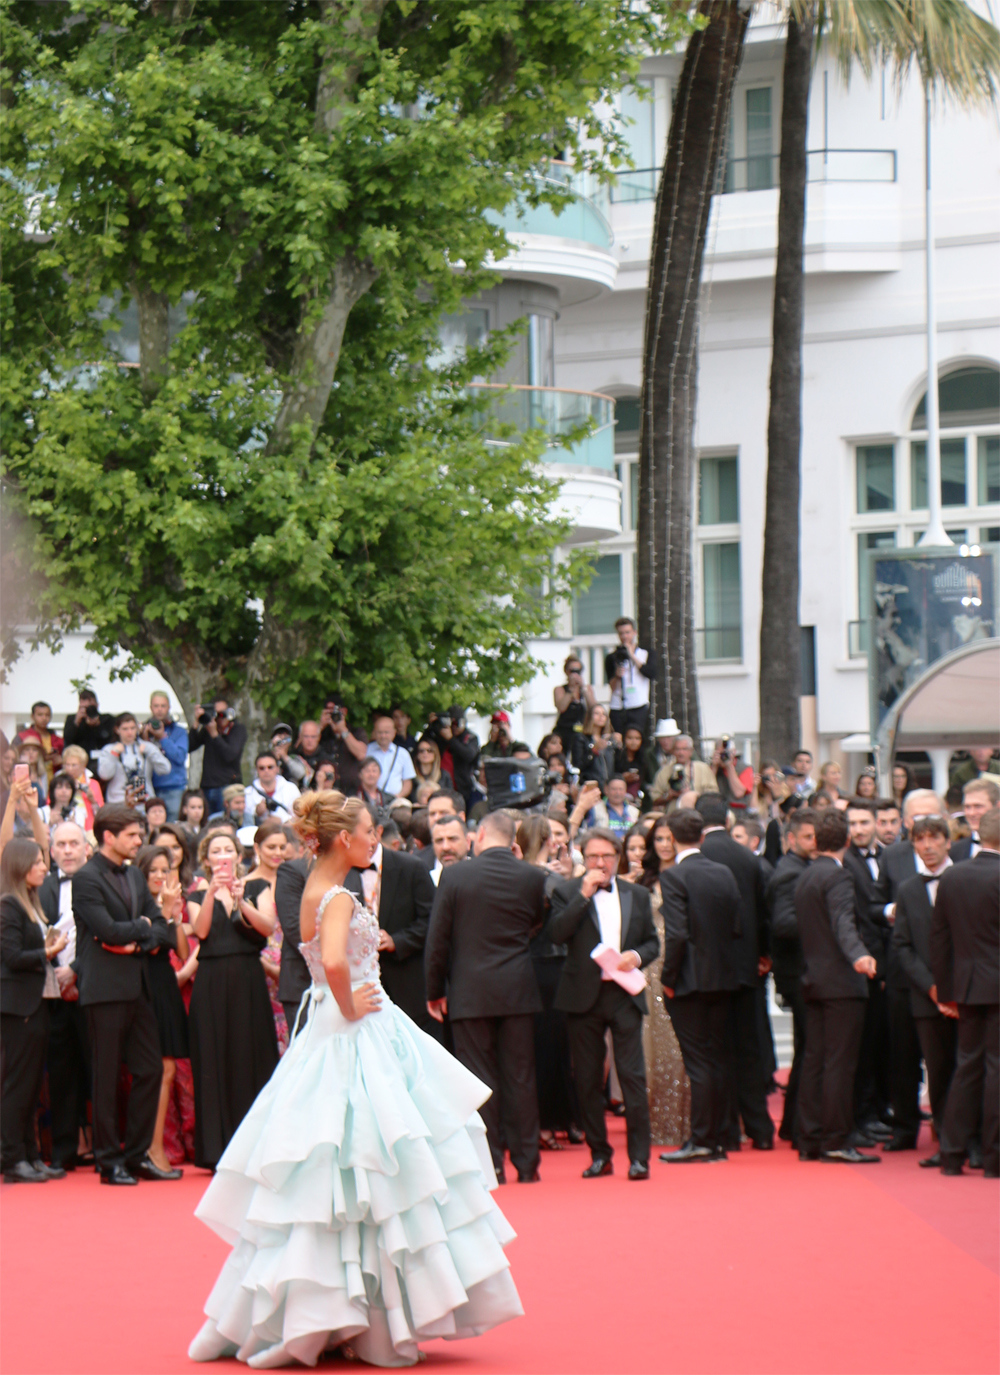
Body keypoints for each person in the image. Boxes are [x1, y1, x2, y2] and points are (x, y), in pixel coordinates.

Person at [188, 790, 523, 1368]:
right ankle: (369, 1318)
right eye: (370, 833)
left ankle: (332, 1312)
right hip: (354, 1031)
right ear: (346, 838)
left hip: (327, 1032)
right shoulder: (338, 895)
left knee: (327, 1170)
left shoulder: (310, 889)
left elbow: (318, 958)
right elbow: (336, 963)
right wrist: (348, 1005)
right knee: (375, 1165)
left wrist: (337, 1002)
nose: (377, 841)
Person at [425, 810, 547, 1184]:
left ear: (478, 836)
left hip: (469, 990)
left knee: (478, 1078)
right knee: (521, 1077)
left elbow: (438, 936)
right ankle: (528, 1163)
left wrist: (434, 990)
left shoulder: (456, 874)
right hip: (517, 988)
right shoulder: (532, 876)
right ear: (514, 842)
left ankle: (490, 1162)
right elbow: (537, 923)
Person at [548, 828, 659, 1180]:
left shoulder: (637, 894)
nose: (600, 863)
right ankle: (600, 1154)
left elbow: (652, 943)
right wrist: (582, 894)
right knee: (587, 1079)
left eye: (607, 856)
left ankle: (639, 1158)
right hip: (582, 996)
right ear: (583, 857)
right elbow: (556, 934)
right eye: (593, 856)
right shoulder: (565, 891)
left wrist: (637, 956)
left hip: (624, 994)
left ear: (618, 857)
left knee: (632, 1076)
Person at [71, 804, 174, 1185]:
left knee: (149, 1069)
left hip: (138, 986)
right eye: (132, 835)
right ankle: (108, 1160)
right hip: (104, 990)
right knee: (106, 1076)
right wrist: (140, 928)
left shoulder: (134, 874)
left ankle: (136, 1155)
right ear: (109, 836)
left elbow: (159, 927)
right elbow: (106, 930)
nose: (139, 841)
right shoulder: (85, 879)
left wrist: (137, 940)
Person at [187, 828, 279, 1169]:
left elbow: (267, 928)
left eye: (228, 850)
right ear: (207, 860)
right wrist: (212, 893)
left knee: (251, 1057)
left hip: (248, 978)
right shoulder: (196, 894)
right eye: (216, 851)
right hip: (210, 981)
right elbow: (202, 932)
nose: (222, 856)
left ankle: (256, 1147)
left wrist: (241, 901)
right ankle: (216, 1151)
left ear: (238, 857)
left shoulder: (256, 887)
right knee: (213, 1059)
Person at [657, 809, 741, 1163]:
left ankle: (704, 1140)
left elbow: (677, 934)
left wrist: (668, 978)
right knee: (717, 1058)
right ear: (703, 837)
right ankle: (719, 1138)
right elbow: (736, 924)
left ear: (673, 838)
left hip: (689, 982)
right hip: (724, 978)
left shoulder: (675, 876)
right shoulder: (723, 872)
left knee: (698, 1063)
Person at [794, 809, 878, 1163]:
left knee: (815, 1060)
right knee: (840, 1064)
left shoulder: (806, 876)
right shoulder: (839, 878)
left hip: (812, 979)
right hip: (841, 982)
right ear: (845, 840)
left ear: (814, 840)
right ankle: (836, 1140)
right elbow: (843, 921)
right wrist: (859, 955)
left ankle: (811, 1137)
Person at [696, 794, 774, 1151]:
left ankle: (726, 1131)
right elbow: (763, 910)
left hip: (706, 972)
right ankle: (760, 1129)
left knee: (715, 1052)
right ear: (728, 819)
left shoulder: (695, 860)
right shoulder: (748, 858)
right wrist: (763, 954)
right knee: (749, 1049)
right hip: (747, 969)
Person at [871, 789, 946, 1151]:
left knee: (947, 1056)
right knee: (902, 1055)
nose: (925, 833)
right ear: (905, 822)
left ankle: (951, 1130)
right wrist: (891, 911)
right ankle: (904, 1128)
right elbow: (873, 904)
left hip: (948, 977)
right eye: (917, 820)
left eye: (932, 818)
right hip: (902, 974)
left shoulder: (960, 858)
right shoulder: (893, 856)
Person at [930, 806, 999, 1178]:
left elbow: (938, 937)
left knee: (967, 1066)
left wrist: (945, 990)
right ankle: (994, 1159)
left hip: (967, 985)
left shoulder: (953, 876)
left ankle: (952, 1154)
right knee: (997, 1069)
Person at [893, 816, 960, 1168]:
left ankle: (976, 1142)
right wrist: (933, 988)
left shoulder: (966, 879)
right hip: (926, 997)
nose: (928, 846)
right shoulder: (907, 890)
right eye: (920, 840)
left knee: (970, 1069)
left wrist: (955, 989)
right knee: (938, 1070)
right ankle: (947, 1144)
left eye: (934, 838)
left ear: (948, 842)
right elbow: (902, 946)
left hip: (967, 994)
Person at [1, 838, 69, 1182]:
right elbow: (10, 957)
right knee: (18, 1084)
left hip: (37, 1002)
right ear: (21, 865)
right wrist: (49, 951)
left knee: (30, 1086)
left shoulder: (29, 902)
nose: (45, 867)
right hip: (17, 1007)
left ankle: (30, 1155)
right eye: (39, 862)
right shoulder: (7, 906)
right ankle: (12, 1158)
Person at [516, 815, 581, 1151]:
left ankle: (554, 1120)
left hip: (529, 965)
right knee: (552, 1047)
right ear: (546, 841)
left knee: (540, 1047)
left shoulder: (521, 876)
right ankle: (551, 1122)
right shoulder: (548, 879)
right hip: (551, 966)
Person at [346, 807, 438, 1037]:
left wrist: (397, 941)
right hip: (360, 989)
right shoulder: (339, 871)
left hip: (408, 986)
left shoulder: (411, 867)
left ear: (376, 832)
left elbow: (433, 920)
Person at [38, 821, 93, 1171]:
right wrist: (55, 975)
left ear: (86, 847)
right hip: (50, 992)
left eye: (75, 843)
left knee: (99, 1071)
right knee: (59, 1073)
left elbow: (101, 934)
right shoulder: (40, 887)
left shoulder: (100, 883)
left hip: (92, 989)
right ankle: (63, 1150)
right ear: (52, 850)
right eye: (62, 844)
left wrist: (75, 970)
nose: (69, 850)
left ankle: (105, 1148)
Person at [134, 845, 188, 1179]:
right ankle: (151, 1149)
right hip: (146, 988)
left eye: (164, 869)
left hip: (167, 986)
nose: (159, 876)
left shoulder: (164, 906)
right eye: (152, 870)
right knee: (160, 1069)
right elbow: (151, 946)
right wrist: (165, 913)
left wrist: (176, 917)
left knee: (168, 1068)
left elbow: (181, 951)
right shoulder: (137, 906)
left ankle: (153, 1148)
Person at [636, 817, 691, 1147]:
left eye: (670, 838)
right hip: (651, 967)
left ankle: (687, 1120)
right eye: (659, 838)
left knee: (683, 1045)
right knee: (656, 1046)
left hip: (682, 963)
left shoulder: (687, 875)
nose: (665, 844)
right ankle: (661, 1122)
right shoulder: (644, 881)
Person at [766, 808, 817, 1145]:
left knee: (807, 1049)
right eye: (809, 837)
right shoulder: (789, 873)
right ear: (791, 839)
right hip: (798, 974)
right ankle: (798, 1125)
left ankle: (794, 1124)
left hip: (802, 973)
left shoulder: (801, 868)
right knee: (809, 1050)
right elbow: (783, 924)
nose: (815, 842)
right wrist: (822, 921)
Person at [842, 800, 892, 1144]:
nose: (858, 829)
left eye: (863, 822)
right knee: (862, 1047)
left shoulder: (887, 856)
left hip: (890, 964)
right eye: (853, 823)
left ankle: (878, 1109)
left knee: (883, 1043)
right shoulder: (843, 862)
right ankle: (862, 1114)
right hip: (861, 966)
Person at [244, 821, 289, 1056]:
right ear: (257, 848)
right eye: (271, 847)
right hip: (259, 967)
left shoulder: (294, 881)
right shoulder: (245, 884)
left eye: (282, 847)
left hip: (293, 964)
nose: (278, 853)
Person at [97, 712, 171, 807]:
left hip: (144, 801)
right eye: (125, 729)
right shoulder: (109, 749)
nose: (129, 732)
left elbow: (165, 769)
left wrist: (151, 752)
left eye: (132, 728)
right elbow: (104, 775)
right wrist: (114, 754)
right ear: (117, 730)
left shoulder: (148, 747)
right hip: (118, 802)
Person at [188, 699, 247, 818]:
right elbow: (189, 747)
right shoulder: (208, 729)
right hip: (207, 785)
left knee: (225, 821)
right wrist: (196, 723)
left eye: (223, 713)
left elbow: (230, 755)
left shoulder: (238, 729)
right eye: (216, 714)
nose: (220, 717)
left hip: (227, 785)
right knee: (207, 822)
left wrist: (215, 734)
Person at [140, 692, 189, 821]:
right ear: (151, 708)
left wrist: (162, 737)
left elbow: (179, 757)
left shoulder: (179, 731)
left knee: (173, 825)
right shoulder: (144, 730)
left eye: (163, 706)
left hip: (174, 787)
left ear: (169, 707)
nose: (160, 709)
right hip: (150, 787)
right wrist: (145, 740)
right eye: (156, 706)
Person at [604, 616, 654, 740]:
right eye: (621, 633)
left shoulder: (645, 653)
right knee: (619, 739)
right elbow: (612, 686)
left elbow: (651, 673)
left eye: (627, 632)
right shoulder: (612, 657)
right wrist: (617, 675)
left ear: (634, 633)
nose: (625, 637)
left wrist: (631, 655)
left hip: (638, 704)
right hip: (618, 706)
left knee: (638, 738)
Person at [318, 694, 369, 794]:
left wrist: (343, 729)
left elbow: (361, 754)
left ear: (344, 711)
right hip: (327, 790)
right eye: (329, 711)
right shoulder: (322, 734)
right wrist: (320, 727)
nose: (332, 714)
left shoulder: (356, 732)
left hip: (351, 791)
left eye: (334, 710)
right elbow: (305, 748)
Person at [650, 734, 717, 807]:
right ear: (672, 751)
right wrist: (669, 795)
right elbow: (654, 800)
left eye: (684, 749)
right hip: (673, 815)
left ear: (691, 751)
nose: (681, 753)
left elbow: (714, 796)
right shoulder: (664, 772)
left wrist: (692, 795)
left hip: (698, 814)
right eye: (677, 749)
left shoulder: (703, 769)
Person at [366, 712, 416, 800]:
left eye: (386, 732)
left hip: (396, 800)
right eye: (380, 732)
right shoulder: (367, 751)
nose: (383, 736)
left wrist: (399, 797)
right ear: (374, 733)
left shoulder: (403, 753)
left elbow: (407, 782)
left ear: (394, 733)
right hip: (371, 799)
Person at [244, 750, 299, 825]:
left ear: (277, 768)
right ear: (256, 770)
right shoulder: (248, 793)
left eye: (270, 767)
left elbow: (298, 814)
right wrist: (257, 812)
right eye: (262, 768)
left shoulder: (291, 788)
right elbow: (246, 822)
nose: (266, 771)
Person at [951, 777, 1000, 860]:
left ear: (997, 806)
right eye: (967, 807)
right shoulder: (955, 851)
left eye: (978, 806)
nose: (971, 813)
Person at [15, 702, 63, 782]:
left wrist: (61, 761)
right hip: (30, 779)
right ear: (32, 716)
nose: (44, 718)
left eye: (47, 715)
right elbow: (14, 759)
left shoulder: (58, 740)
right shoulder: (22, 737)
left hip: (54, 781)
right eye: (40, 715)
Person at [60, 744, 104, 830]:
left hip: (88, 828)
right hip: (64, 825)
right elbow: (51, 805)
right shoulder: (58, 782)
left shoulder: (93, 784)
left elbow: (101, 813)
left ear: (83, 766)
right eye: (67, 765)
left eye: (74, 765)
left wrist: (93, 801)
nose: (70, 769)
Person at [62, 689, 115, 759]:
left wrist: (98, 726)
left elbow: (110, 739)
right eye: (85, 707)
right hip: (79, 758)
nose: (88, 710)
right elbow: (68, 740)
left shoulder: (107, 719)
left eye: (91, 707)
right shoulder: (72, 719)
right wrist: (76, 722)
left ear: (97, 705)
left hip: (102, 758)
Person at [576, 703, 617, 790]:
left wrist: (620, 745)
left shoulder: (610, 739)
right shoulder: (581, 738)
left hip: (609, 787)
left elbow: (617, 763)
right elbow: (579, 764)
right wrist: (594, 750)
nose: (601, 716)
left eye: (603, 714)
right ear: (589, 717)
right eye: (596, 713)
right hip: (591, 785)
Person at [615, 727, 653, 800]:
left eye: (637, 738)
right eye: (630, 738)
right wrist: (622, 777)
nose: (634, 742)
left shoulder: (644, 758)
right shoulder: (617, 756)